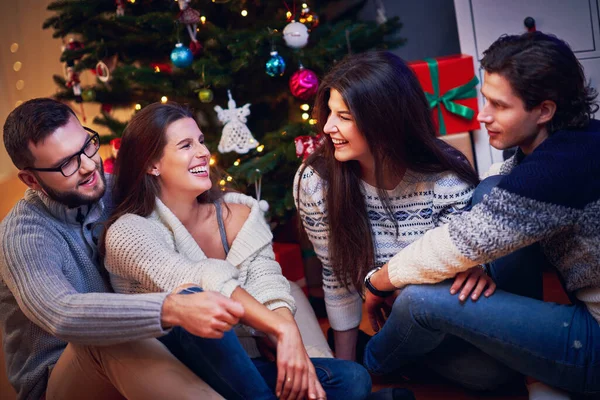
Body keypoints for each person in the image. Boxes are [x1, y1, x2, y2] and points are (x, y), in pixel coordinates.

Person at [362, 32, 600, 398]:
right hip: (583, 320)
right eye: (484, 99)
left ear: (545, 110)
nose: (481, 115)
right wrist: (474, 260)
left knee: (418, 301)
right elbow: (497, 188)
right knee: (488, 192)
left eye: (499, 106)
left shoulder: (560, 168)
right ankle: (527, 373)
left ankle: (370, 363)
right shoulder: (575, 143)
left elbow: (459, 241)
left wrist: (377, 283)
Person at [101, 102, 372, 400]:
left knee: (352, 379)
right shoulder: (127, 231)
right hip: (177, 378)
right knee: (192, 298)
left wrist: (285, 333)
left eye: (201, 141)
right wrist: (282, 330)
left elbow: (267, 281)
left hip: (245, 367)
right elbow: (199, 278)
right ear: (152, 164)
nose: (203, 152)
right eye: (185, 145)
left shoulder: (239, 211)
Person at [293, 50, 522, 390]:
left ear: (384, 120)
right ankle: (374, 358)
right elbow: (335, 276)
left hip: (443, 312)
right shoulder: (316, 183)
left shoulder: (445, 176)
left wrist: (475, 268)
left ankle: (399, 361)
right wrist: (346, 368)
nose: (328, 128)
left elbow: (456, 272)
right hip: (390, 324)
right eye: (328, 112)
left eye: (344, 116)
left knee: (496, 378)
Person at [0, 98, 242, 400]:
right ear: (31, 180)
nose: (89, 165)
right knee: (102, 335)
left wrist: (270, 320)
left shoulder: (117, 188)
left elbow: (193, 223)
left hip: (150, 351)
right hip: (61, 382)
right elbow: (62, 314)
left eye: (87, 146)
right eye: (66, 164)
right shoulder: (23, 235)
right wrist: (172, 308)